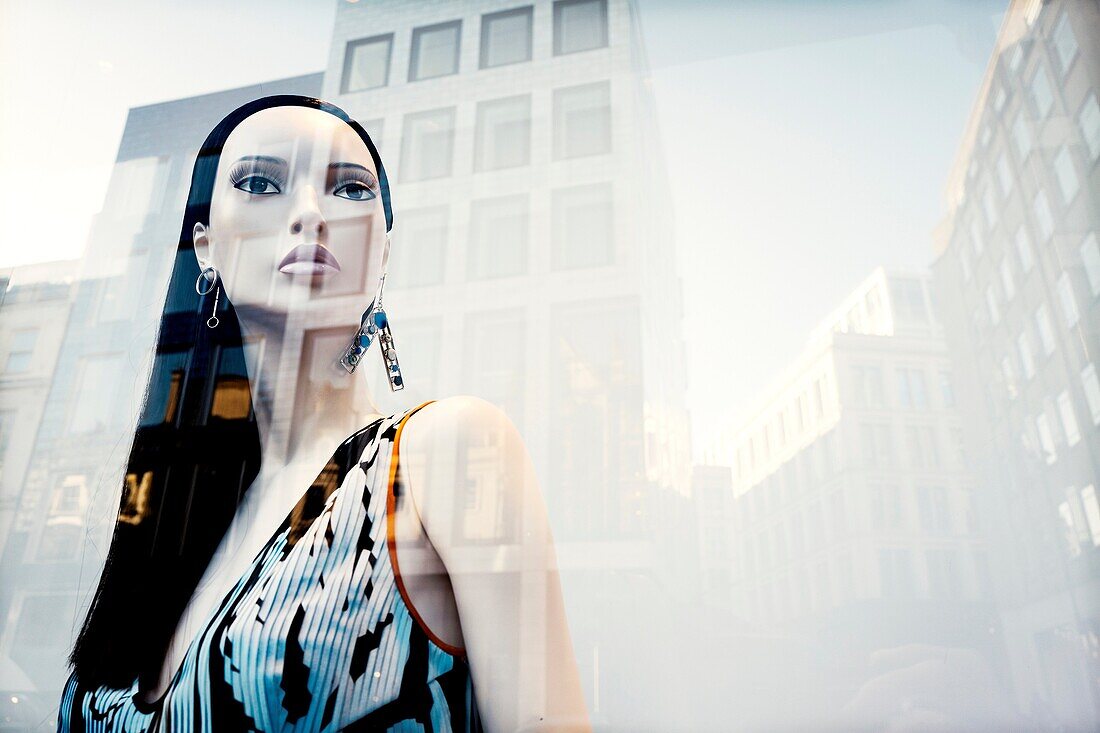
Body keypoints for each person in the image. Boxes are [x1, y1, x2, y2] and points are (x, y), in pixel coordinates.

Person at [58, 95, 589, 733]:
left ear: (382, 256)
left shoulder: (440, 455)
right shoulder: (176, 518)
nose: (310, 214)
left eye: (349, 189)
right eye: (260, 184)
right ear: (206, 246)